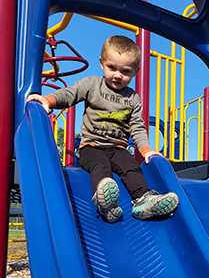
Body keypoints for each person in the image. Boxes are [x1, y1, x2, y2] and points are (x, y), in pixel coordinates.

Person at [26, 35, 179, 223]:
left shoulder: (132, 98)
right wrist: (49, 100)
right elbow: (70, 94)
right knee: (100, 166)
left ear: (135, 71)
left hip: (118, 148)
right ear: (102, 63)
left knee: (131, 168)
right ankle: (105, 201)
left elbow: (137, 127)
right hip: (91, 146)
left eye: (125, 71)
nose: (117, 75)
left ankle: (143, 200)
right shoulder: (92, 84)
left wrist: (146, 150)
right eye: (112, 68)